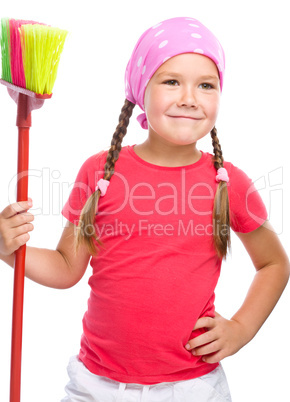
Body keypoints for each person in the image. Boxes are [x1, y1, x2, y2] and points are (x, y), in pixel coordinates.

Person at [0, 16, 289, 402]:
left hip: (191, 388)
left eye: (206, 85)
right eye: (171, 81)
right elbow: (66, 267)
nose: (189, 97)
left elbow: (274, 264)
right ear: (141, 89)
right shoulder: (100, 171)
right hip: (95, 385)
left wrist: (240, 328)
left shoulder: (227, 181)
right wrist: (9, 250)